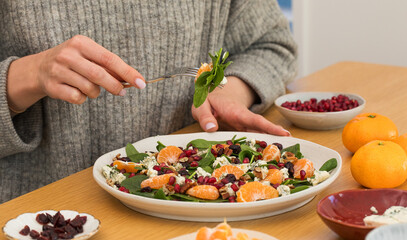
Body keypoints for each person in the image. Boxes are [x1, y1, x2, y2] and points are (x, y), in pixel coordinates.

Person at [0, 0, 297, 203]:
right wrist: (26, 76)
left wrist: (229, 89)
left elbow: (270, 44)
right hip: (38, 216)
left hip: (194, 216)